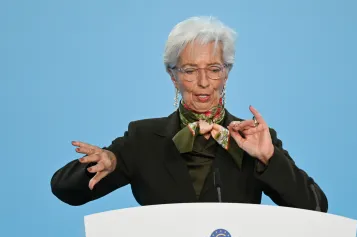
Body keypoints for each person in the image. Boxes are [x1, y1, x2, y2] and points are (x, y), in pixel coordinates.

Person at [50, 16, 328, 212]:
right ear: (173, 77)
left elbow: (315, 208)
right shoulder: (142, 138)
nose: (204, 82)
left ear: (227, 73)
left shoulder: (254, 138)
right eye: (190, 70)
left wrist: (269, 158)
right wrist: (103, 161)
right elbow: (67, 192)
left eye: (215, 69)